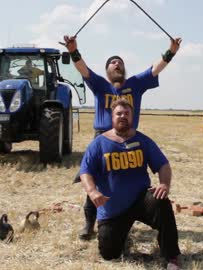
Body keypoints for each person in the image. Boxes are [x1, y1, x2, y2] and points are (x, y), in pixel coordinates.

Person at [62, 34, 182, 240]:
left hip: (130, 139)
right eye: (112, 62)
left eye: (119, 62)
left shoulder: (135, 84)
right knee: (96, 182)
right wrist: (73, 50)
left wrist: (171, 51)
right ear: (107, 70)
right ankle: (90, 222)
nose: (116, 64)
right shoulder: (100, 84)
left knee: (130, 179)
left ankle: (134, 213)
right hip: (102, 140)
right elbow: (83, 69)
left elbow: (156, 68)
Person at [80, 98, 181, 269]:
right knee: (109, 254)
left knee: (161, 202)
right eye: (118, 113)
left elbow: (163, 165)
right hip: (114, 210)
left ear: (132, 117)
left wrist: (164, 184)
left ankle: (171, 256)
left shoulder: (143, 140)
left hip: (141, 200)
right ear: (112, 117)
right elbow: (85, 171)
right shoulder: (99, 144)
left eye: (126, 113)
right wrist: (92, 191)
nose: (123, 116)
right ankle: (123, 236)